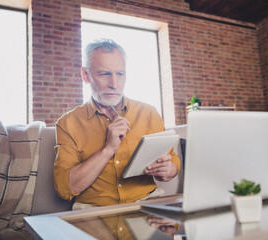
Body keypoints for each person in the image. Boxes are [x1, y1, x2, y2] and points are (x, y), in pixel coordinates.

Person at [54, 38, 180, 208]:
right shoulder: (67, 123)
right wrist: (108, 149)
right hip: (95, 212)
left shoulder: (149, 113)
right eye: (104, 74)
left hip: (147, 204)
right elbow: (65, 189)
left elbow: (172, 161)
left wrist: (168, 170)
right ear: (85, 75)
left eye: (120, 74)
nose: (114, 84)